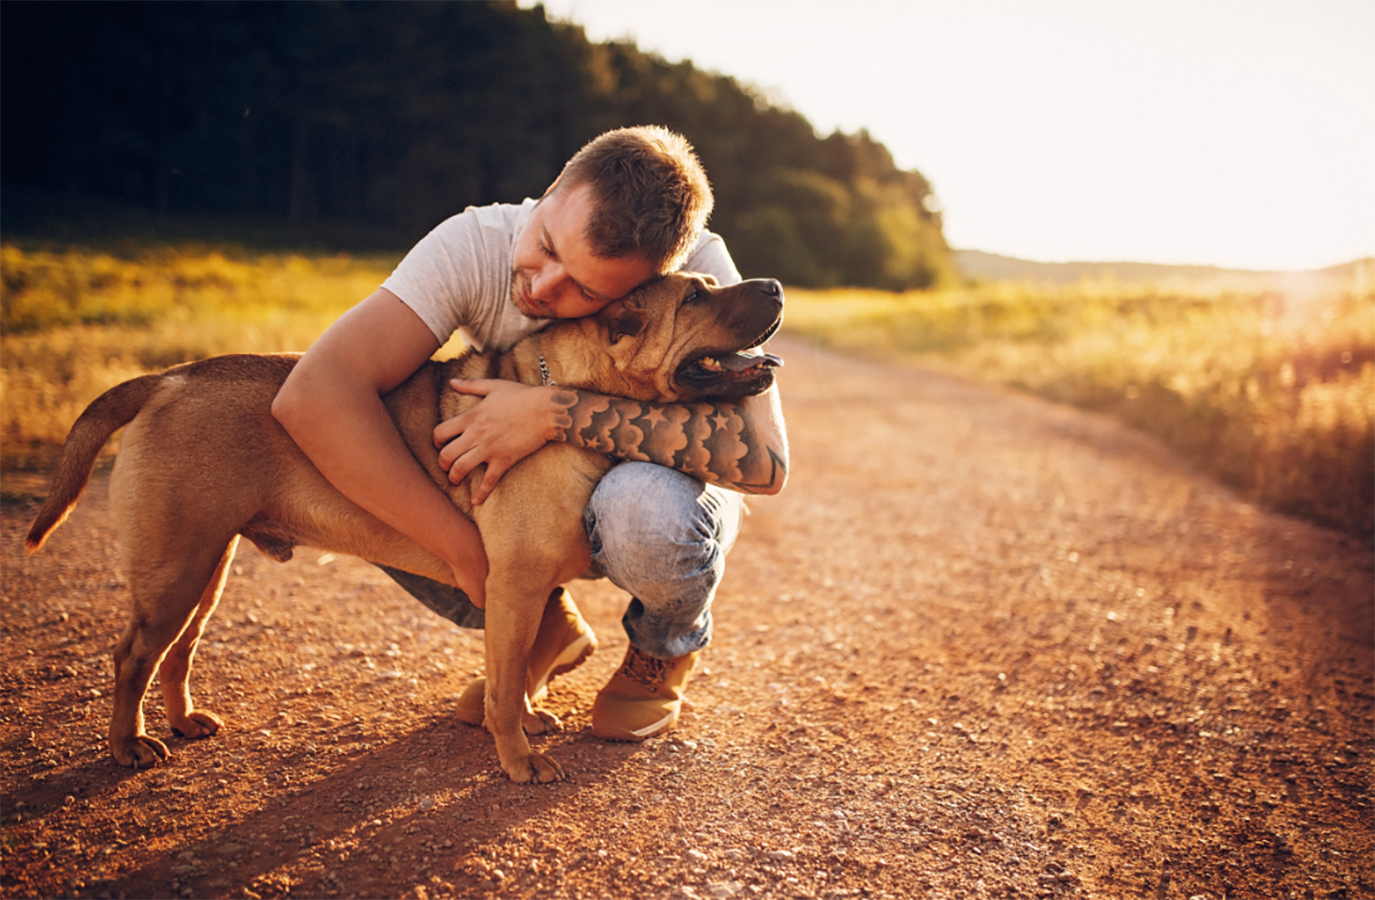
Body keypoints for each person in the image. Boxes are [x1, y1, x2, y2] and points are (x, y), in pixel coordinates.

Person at [272, 126, 788, 742]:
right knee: (379, 440)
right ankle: (545, 624)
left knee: (643, 508)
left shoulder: (696, 275)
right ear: (550, 192)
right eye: (546, 245)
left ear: (643, 286)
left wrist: (554, 412)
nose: (541, 286)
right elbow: (315, 396)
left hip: (644, 488)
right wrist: (469, 553)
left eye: (586, 289)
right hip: (525, 497)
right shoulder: (473, 246)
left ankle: (663, 645)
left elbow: (766, 465)